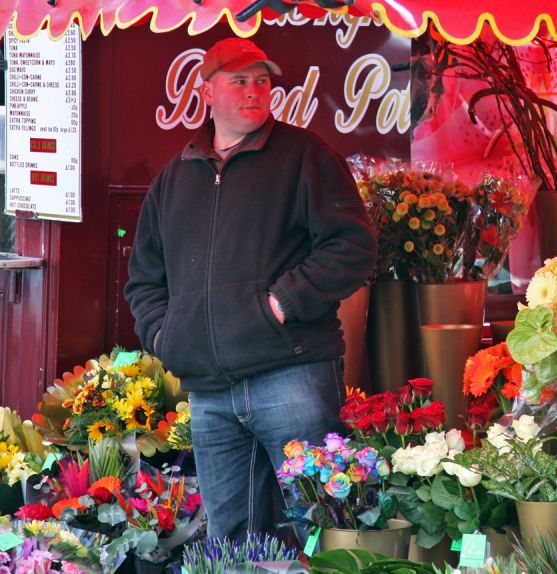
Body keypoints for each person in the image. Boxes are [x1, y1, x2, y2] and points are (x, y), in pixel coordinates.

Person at [124, 37, 377, 541]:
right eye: (239, 81)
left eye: (262, 81)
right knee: (230, 537)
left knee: (323, 525)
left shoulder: (307, 157)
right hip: (210, 395)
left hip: (292, 376)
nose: (254, 91)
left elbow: (352, 248)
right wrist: (166, 335)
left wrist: (281, 304)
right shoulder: (174, 179)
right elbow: (144, 280)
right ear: (208, 91)